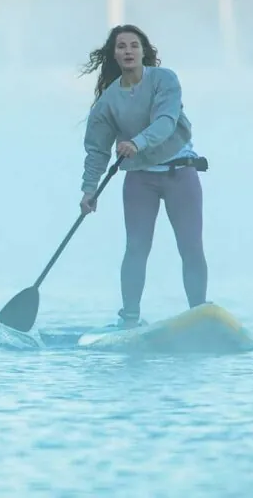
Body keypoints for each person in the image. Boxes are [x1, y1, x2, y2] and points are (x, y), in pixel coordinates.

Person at [79, 24, 208, 328]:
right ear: (114, 55)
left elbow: (166, 121)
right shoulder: (107, 103)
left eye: (134, 45)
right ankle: (130, 318)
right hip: (140, 180)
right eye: (121, 46)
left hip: (181, 173)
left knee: (190, 246)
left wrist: (137, 143)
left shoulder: (165, 80)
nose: (128, 51)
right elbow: (97, 150)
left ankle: (200, 314)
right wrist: (89, 190)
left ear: (143, 51)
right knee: (136, 248)